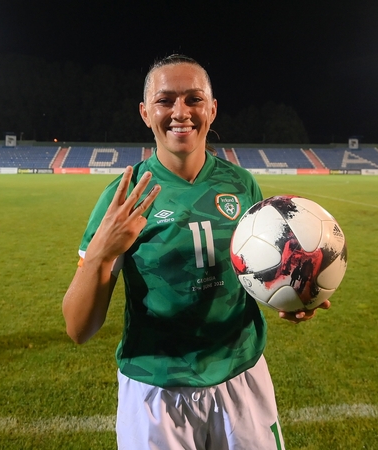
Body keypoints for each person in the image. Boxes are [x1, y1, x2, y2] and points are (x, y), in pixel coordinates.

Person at [62, 54, 330, 450]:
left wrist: (287, 292)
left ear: (213, 108)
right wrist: (101, 253)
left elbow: (256, 271)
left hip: (242, 377)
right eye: (165, 100)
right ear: (144, 112)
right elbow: (79, 329)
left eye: (193, 99)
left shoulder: (241, 185)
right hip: (155, 390)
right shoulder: (124, 197)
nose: (179, 112)